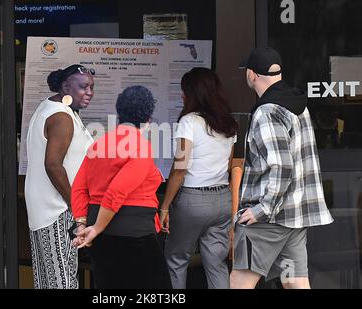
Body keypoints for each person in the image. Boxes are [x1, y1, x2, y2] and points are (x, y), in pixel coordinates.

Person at [230, 47, 334, 289]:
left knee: (239, 281)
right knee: (295, 282)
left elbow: (283, 166)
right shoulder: (298, 106)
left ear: (252, 74)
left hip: (269, 218)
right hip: (295, 215)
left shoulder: (267, 111)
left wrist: (261, 210)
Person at [71, 86, 172, 289]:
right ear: (148, 118)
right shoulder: (141, 146)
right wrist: (96, 228)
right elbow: (117, 191)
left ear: (119, 113)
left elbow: (79, 187)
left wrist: (83, 225)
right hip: (135, 234)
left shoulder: (98, 145)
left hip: (99, 234)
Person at [159, 67, 238, 289]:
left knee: (176, 260)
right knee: (216, 263)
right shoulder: (228, 123)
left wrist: (165, 206)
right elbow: (229, 165)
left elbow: (180, 169)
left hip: (193, 200)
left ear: (194, 94)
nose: (182, 96)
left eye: (184, 91)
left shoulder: (189, 122)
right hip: (222, 199)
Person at [25, 64, 95, 289]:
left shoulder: (52, 107)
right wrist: (76, 205)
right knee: (63, 280)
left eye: (92, 87)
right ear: (66, 86)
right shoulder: (61, 117)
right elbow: (53, 165)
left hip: (47, 208)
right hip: (58, 210)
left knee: (49, 281)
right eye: (83, 87)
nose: (89, 92)